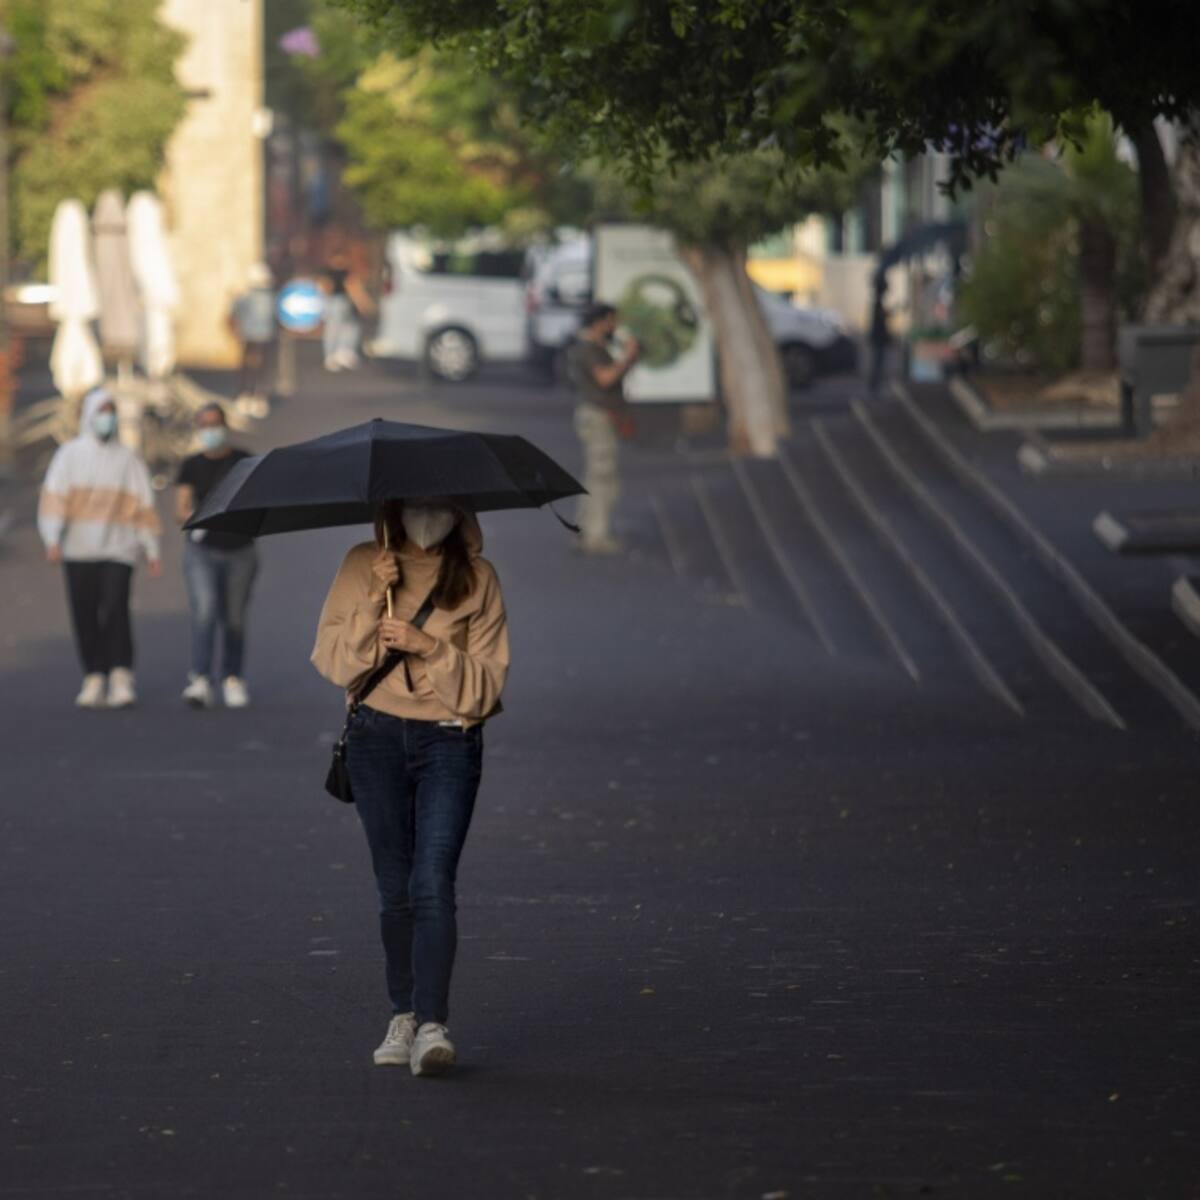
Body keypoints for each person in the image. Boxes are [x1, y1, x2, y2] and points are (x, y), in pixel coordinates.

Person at [311, 499, 509, 1076]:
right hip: (374, 738)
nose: (428, 517)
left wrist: (429, 647)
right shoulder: (362, 563)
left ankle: (431, 1023)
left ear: (459, 510)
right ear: (394, 509)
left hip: (448, 740)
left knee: (432, 880)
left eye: (440, 505)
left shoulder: (479, 577)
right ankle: (402, 1012)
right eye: (417, 504)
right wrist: (375, 597)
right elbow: (332, 659)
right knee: (394, 886)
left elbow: (488, 682)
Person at [38, 387, 162, 708]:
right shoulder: (69, 456)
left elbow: (143, 505)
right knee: (85, 612)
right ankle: (94, 674)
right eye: (102, 411)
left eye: (111, 411)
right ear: (90, 416)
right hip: (79, 550)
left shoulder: (128, 458)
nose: (107, 418)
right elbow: (54, 499)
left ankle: (121, 674)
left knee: (116, 608)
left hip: (118, 549)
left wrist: (151, 549)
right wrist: (52, 538)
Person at [174, 403, 258, 709]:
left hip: (241, 550)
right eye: (204, 425)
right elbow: (180, 509)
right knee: (205, 611)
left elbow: (257, 500)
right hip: (203, 550)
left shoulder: (244, 461)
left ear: (225, 425)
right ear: (198, 429)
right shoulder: (191, 465)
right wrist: (204, 516)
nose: (211, 430)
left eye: (215, 423)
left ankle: (232, 677)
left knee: (234, 617)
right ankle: (200, 677)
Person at [565, 302, 640, 554]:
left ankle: (585, 529)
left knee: (594, 475)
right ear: (600, 322)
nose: (615, 327)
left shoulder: (591, 347)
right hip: (598, 416)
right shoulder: (588, 348)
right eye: (612, 322)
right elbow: (605, 378)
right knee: (602, 476)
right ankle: (595, 536)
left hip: (598, 415)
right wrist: (628, 357)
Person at [229, 263, 277, 407]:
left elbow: (234, 314)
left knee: (248, 367)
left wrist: (236, 331)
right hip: (264, 336)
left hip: (250, 335)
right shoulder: (271, 297)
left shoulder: (245, 296)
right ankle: (258, 396)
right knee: (261, 367)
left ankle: (246, 394)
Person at [321, 250, 373, 372]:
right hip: (342, 302)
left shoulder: (327, 273)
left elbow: (323, 287)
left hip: (330, 303)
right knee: (349, 328)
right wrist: (362, 304)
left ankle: (331, 356)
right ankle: (343, 353)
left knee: (332, 329)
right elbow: (353, 288)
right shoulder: (346, 273)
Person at [867, 274, 892, 399]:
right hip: (879, 338)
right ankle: (874, 387)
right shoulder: (878, 302)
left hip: (878, 337)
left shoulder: (877, 301)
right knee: (878, 362)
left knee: (878, 362)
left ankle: (875, 386)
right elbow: (881, 317)